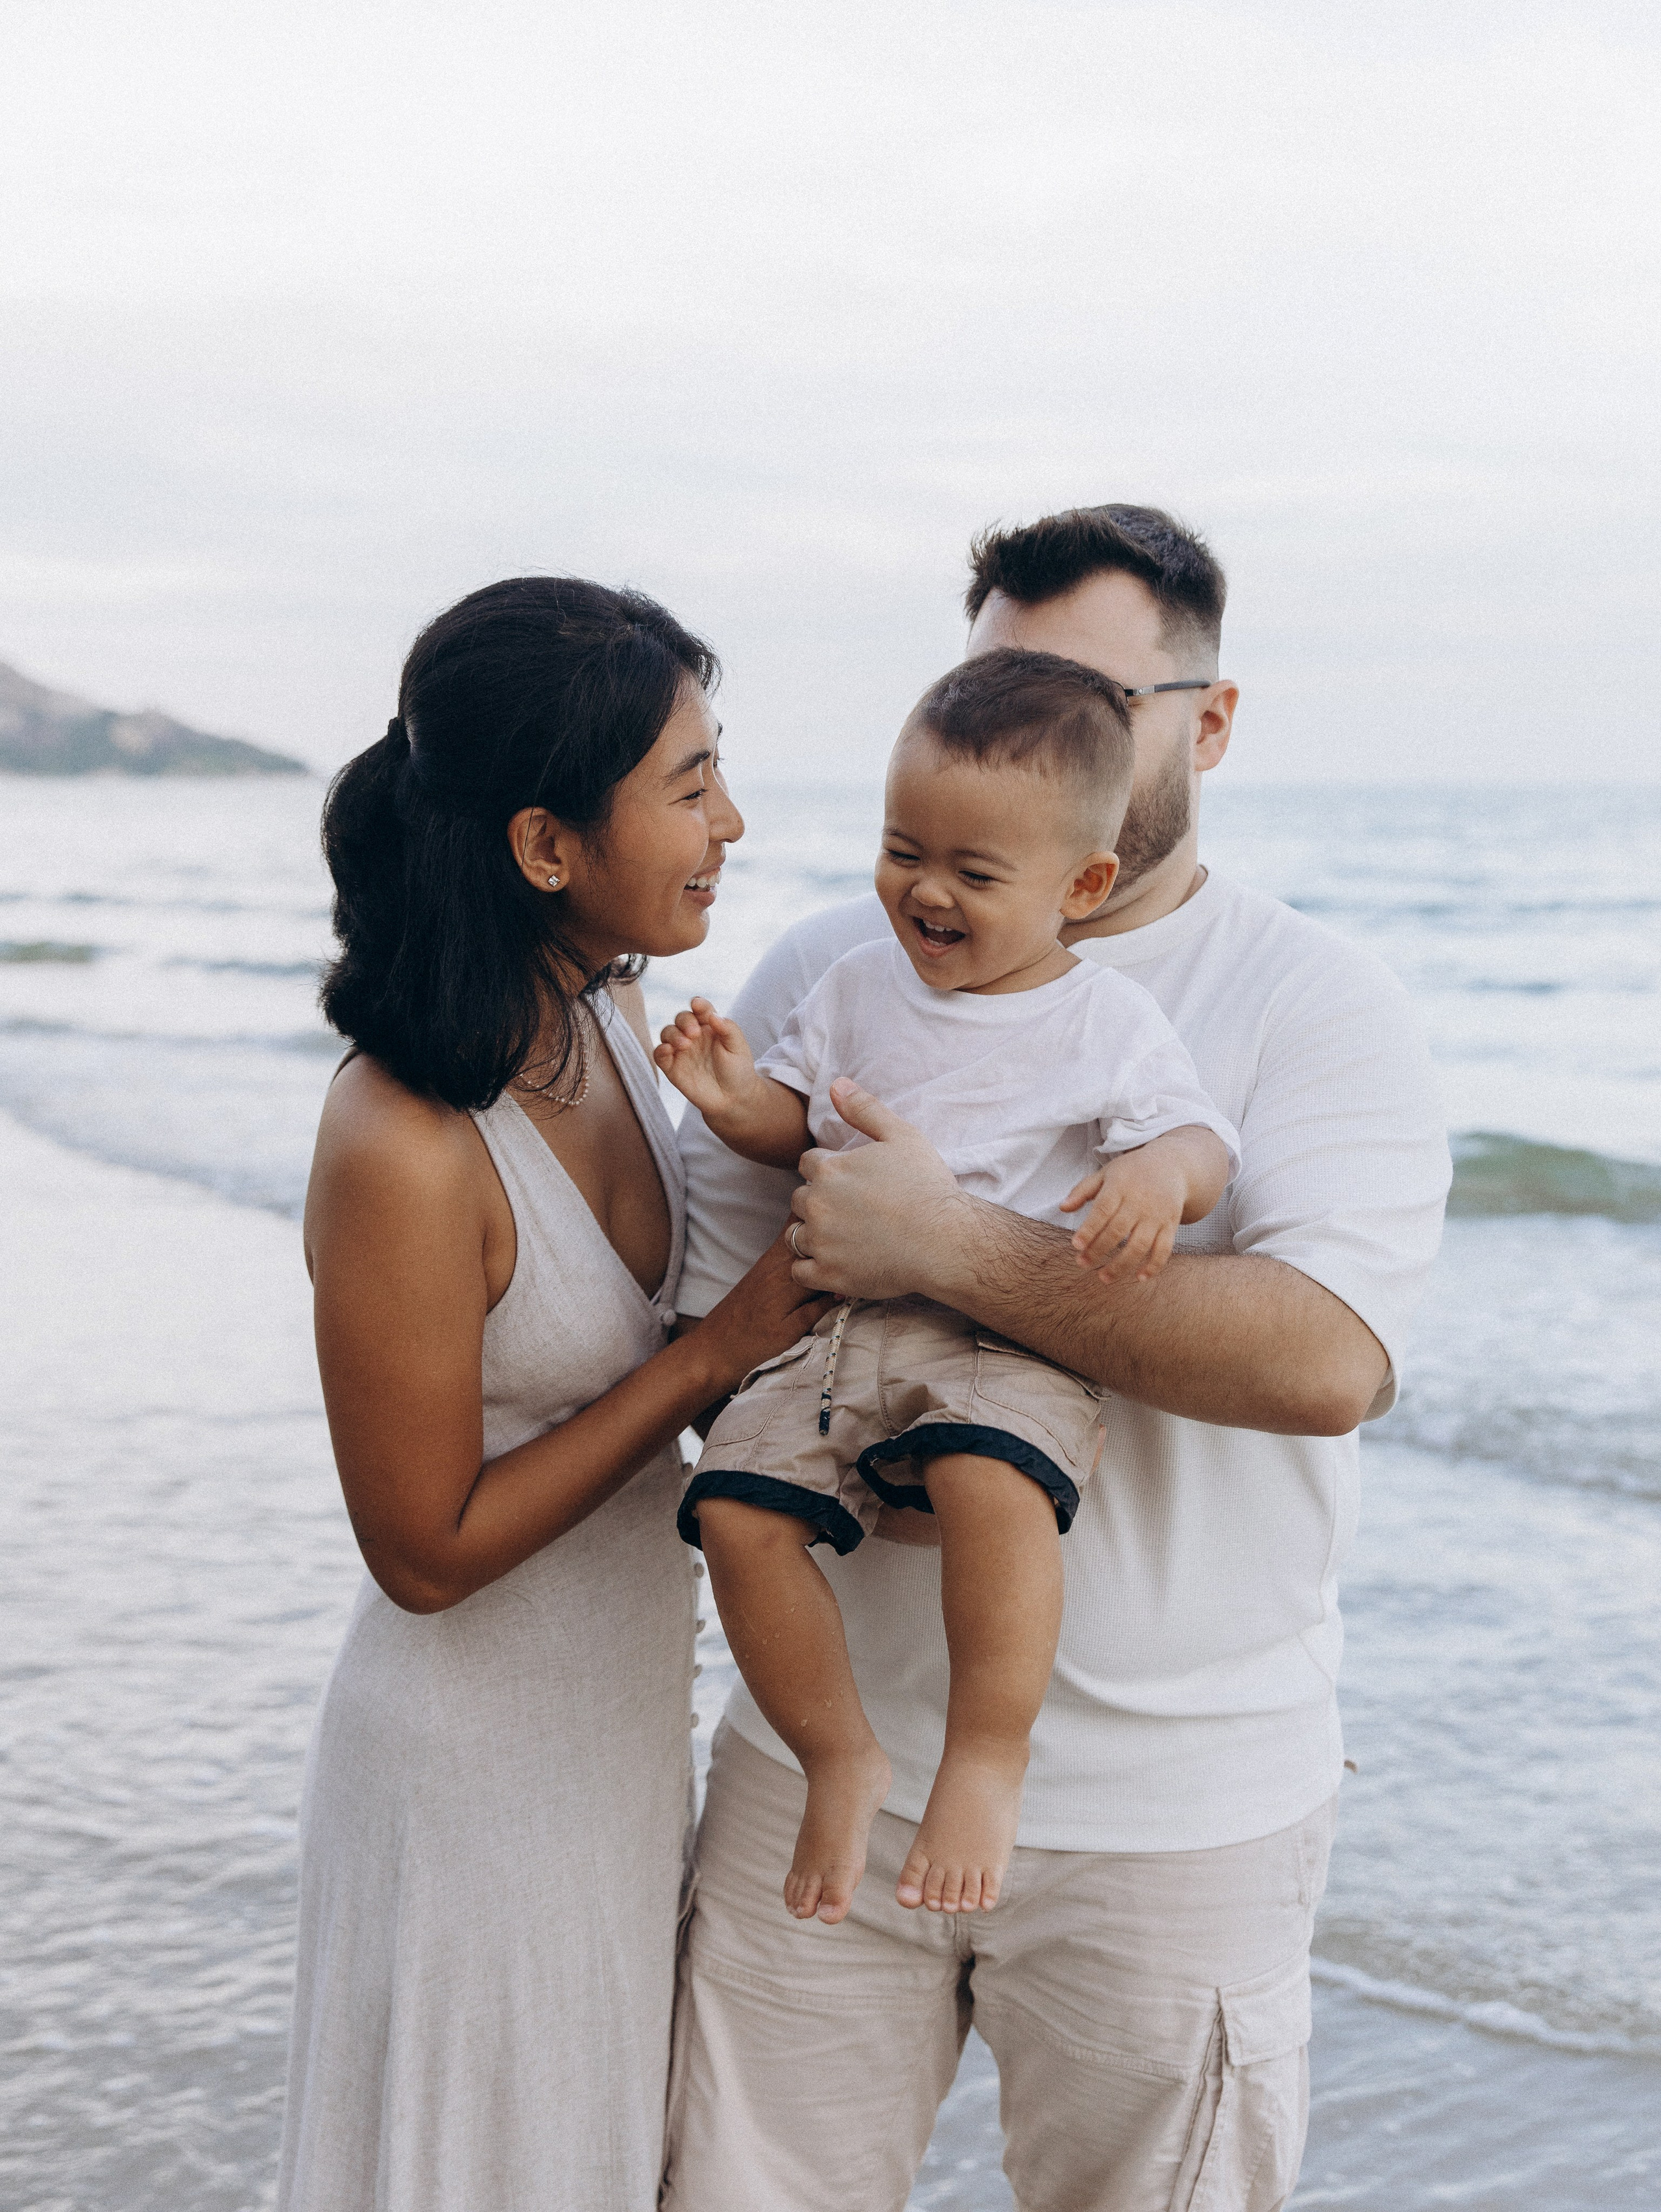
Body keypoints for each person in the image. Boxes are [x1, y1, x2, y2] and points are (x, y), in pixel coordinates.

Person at [662, 507, 1451, 2212]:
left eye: (1089, 687)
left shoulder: (1318, 1004)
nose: (1034, 718)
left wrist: (951, 1247)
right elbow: (730, 1328)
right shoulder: (835, 965)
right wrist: (873, 1456)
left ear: (1210, 722)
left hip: (1174, 1819)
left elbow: (1326, 1358)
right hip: (822, 1776)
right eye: (994, 680)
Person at [276, 577, 828, 2212]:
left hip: (613, 1745)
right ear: (543, 846)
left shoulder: (617, 1010)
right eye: (687, 783)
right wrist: (708, 1355)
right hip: (463, 1778)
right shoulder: (400, 1140)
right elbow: (422, 1548)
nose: (730, 818)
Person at [655, 649, 1237, 1929]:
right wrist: (730, 1096)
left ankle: (985, 1755)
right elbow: (791, 1118)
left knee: (991, 1481)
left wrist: (1155, 1176)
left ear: (1078, 886)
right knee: (735, 1511)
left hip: (997, 1330)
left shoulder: (1106, 1021)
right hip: (842, 1319)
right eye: (899, 847)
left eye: (974, 874)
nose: (923, 890)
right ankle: (838, 1753)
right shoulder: (857, 979)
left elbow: (1197, 1142)